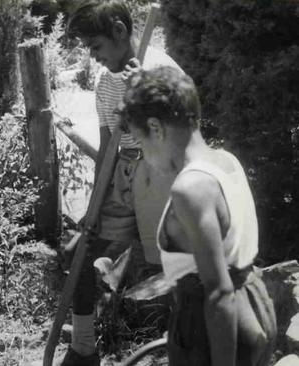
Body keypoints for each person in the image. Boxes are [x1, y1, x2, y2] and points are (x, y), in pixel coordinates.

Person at [119, 65, 277, 366]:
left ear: (156, 128)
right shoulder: (226, 162)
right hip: (255, 310)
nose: (146, 157)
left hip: (213, 332)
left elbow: (219, 292)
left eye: (141, 142)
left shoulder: (190, 189)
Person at [55, 1, 184, 364]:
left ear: (120, 31)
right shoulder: (103, 84)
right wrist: (92, 212)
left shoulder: (161, 70)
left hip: (161, 175)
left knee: (167, 273)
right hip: (123, 174)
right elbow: (107, 149)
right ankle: (83, 348)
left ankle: (182, 351)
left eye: (95, 46)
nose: (92, 57)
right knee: (77, 252)